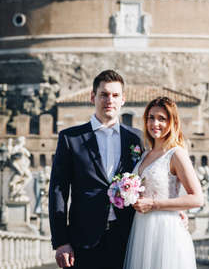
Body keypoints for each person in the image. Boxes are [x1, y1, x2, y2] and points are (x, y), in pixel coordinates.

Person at [49, 70, 143, 269]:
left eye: (115, 95)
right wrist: (60, 241)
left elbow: (151, 179)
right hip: (82, 239)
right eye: (104, 94)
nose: (110, 100)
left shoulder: (136, 138)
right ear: (93, 97)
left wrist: (175, 212)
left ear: (123, 99)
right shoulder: (70, 138)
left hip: (128, 237)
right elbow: (58, 191)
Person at [124, 96, 204, 269]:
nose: (155, 124)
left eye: (162, 119)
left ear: (172, 122)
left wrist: (154, 204)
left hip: (165, 230)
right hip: (142, 229)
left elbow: (197, 198)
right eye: (151, 118)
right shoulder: (145, 155)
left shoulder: (176, 154)